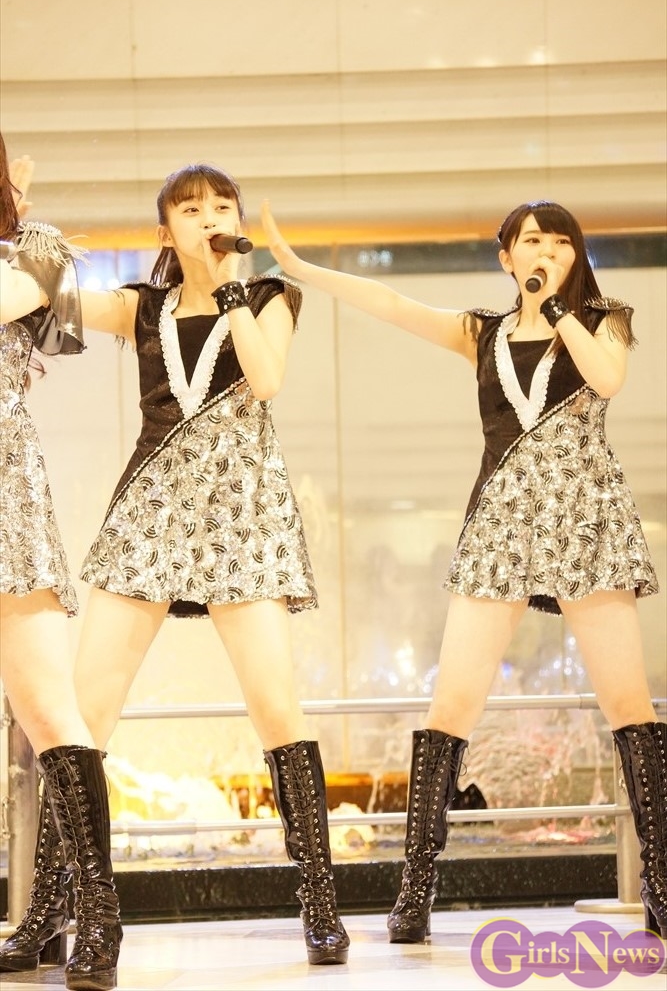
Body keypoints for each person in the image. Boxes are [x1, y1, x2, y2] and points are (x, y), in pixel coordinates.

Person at [260, 198, 666, 942]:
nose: (545, 251)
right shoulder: (482, 333)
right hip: (500, 523)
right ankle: (415, 892)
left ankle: (662, 889)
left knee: (629, 707)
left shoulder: (604, 319)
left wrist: (558, 309)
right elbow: (392, 304)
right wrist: (301, 268)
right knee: (450, 704)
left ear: (575, 255)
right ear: (506, 258)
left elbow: (607, 379)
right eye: (530, 241)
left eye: (560, 242)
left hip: (587, 522)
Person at [5, 162, 348, 970]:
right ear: (165, 230)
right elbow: (45, 296)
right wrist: (20, 218)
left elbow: (266, 378)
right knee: (84, 714)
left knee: (276, 709)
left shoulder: (268, 297)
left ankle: (320, 904)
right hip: (151, 509)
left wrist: (228, 287)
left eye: (221, 205)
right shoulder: (143, 306)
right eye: (190, 209)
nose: (208, 217)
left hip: (241, 514)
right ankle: (49, 909)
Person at [0, 134, 123, 990]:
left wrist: (19, 205)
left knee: (48, 709)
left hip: (4, 489)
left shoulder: (32, 252)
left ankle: (99, 917)